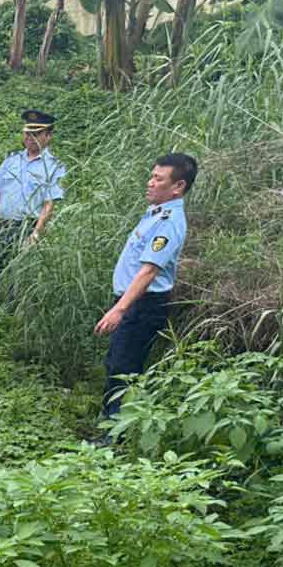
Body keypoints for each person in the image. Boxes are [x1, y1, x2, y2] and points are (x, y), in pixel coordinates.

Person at [94, 152, 196, 424]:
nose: (150, 182)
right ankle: (110, 423)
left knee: (124, 368)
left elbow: (149, 271)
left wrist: (119, 310)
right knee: (116, 362)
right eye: (151, 176)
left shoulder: (169, 222)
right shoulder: (155, 213)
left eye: (158, 179)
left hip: (143, 305)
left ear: (178, 186)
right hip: (131, 301)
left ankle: (115, 433)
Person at [0, 109, 66, 328]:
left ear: (48, 136)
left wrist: (36, 232)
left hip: (27, 228)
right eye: (27, 133)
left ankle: (10, 326)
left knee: (18, 278)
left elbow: (49, 204)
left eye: (36, 134)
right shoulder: (11, 160)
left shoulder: (54, 167)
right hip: (3, 225)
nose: (30, 138)